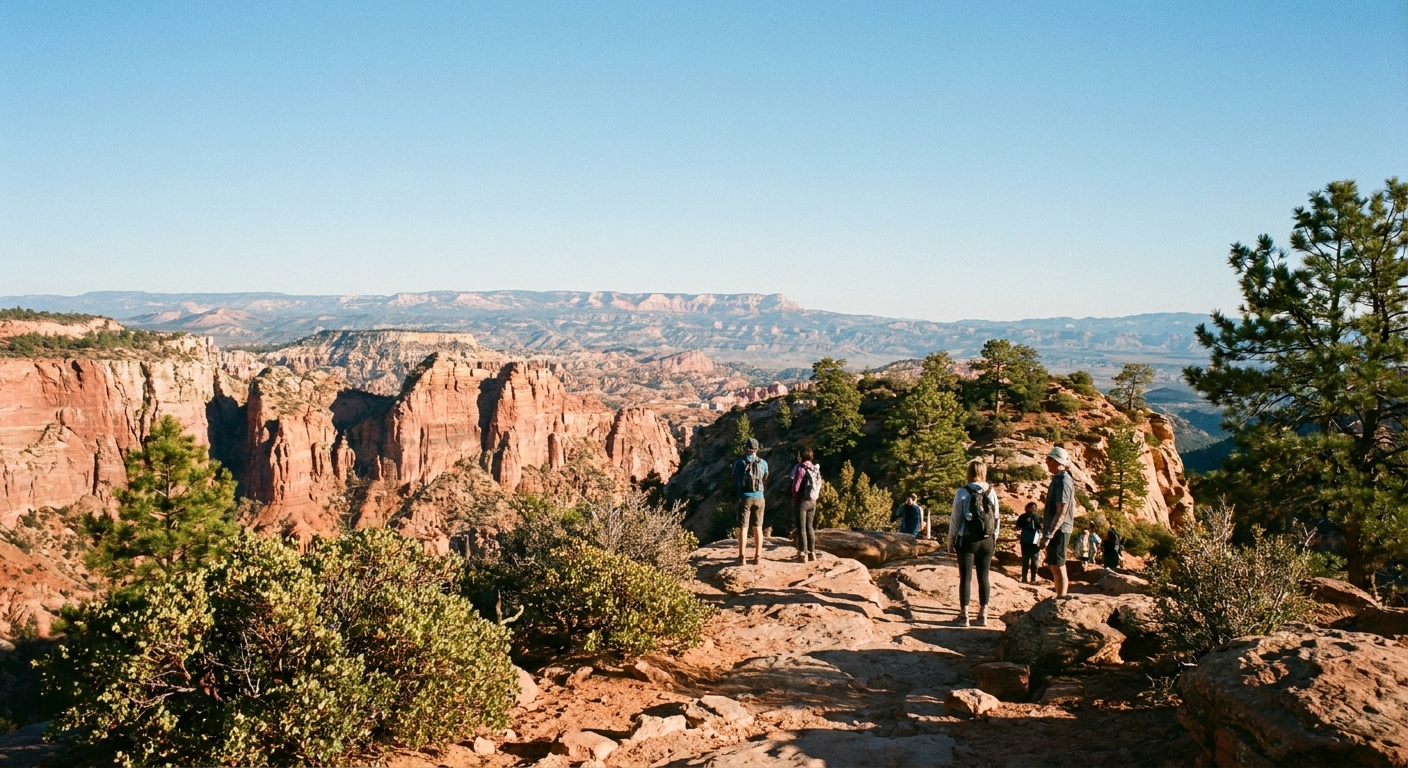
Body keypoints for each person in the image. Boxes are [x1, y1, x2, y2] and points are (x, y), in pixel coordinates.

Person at [948, 459, 1001, 627]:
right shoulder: (991, 492)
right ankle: (983, 614)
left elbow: (955, 520)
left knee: (966, 578)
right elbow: (997, 518)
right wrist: (993, 539)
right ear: (983, 472)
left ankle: (964, 616)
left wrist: (951, 540)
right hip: (987, 541)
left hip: (967, 540)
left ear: (969, 472)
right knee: (983, 576)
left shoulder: (962, 492)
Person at [1040, 446, 1076, 597]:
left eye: (1049, 459)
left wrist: (1048, 535)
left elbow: (1062, 510)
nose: (1046, 462)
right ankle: (1059, 597)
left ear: (1056, 462)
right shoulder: (1058, 479)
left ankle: (1061, 599)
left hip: (1060, 529)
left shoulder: (1063, 481)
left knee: (1058, 564)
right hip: (1058, 528)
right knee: (1055, 564)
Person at [733, 438, 769, 566]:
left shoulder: (740, 463)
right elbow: (765, 476)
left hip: (744, 497)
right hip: (759, 497)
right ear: (757, 449)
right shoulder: (763, 463)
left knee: (743, 527)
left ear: (746, 448)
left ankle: (742, 557)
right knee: (758, 527)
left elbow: (735, 478)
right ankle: (757, 556)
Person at [790, 448, 822, 562]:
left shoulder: (800, 468)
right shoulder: (815, 468)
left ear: (801, 456)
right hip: (813, 502)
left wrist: (794, 497)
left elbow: (796, 487)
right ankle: (812, 552)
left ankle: (803, 553)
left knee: (801, 528)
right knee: (810, 527)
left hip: (802, 502)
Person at [1015, 501, 1043, 583]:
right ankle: (1032, 579)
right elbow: (1042, 528)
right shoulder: (1039, 517)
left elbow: (1018, 527)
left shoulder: (1023, 516)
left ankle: (1025, 578)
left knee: (1026, 560)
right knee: (1034, 560)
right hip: (1034, 541)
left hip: (1026, 540)